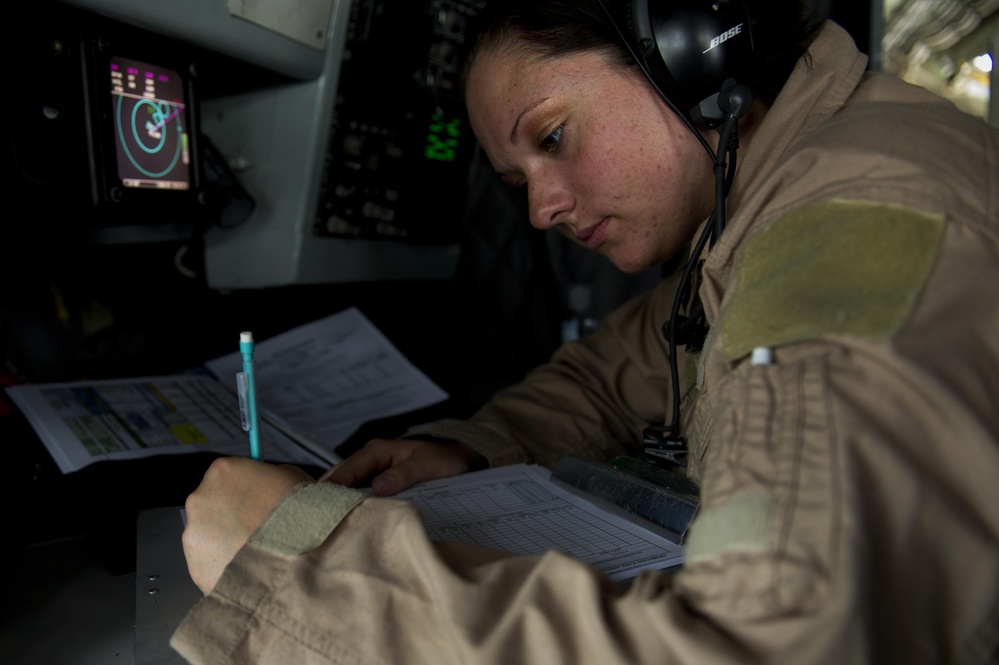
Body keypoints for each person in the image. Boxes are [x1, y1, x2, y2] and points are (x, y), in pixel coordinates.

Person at [173, 0, 999, 662]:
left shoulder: (843, 239)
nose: (541, 208)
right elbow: (619, 367)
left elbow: (770, 642)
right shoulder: (769, 208)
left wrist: (303, 569)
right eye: (518, 178)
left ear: (688, 47)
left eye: (554, 137)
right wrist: (475, 445)